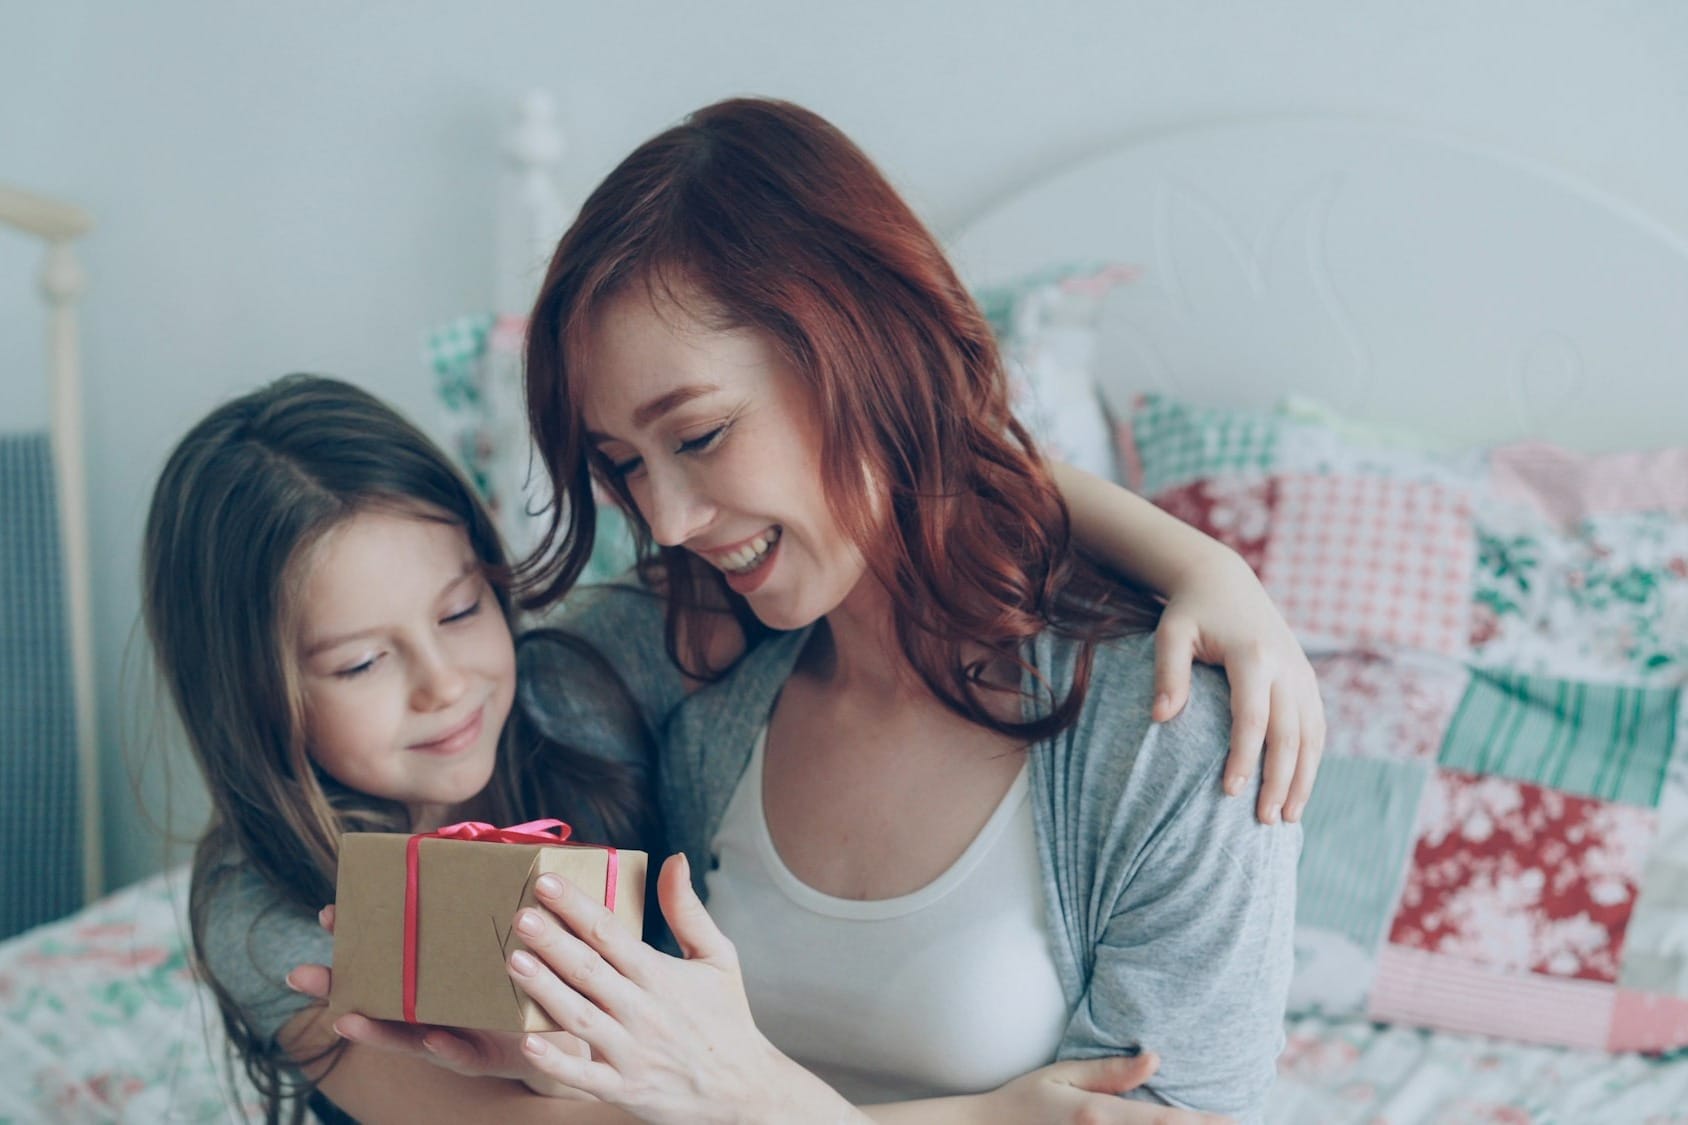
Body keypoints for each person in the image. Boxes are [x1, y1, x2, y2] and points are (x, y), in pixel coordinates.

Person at [343, 97, 1302, 1121]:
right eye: (623, 464)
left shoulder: (1172, 728)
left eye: (700, 436)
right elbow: (301, 798)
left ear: (864, 350)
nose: (665, 521)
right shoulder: (680, 654)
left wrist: (748, 1100)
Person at [151, 374, 1307, 1124]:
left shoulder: (572, 689)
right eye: (360, 664)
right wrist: (980, 1119)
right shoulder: (263, 904)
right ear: (254, 696)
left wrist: (1202, 565)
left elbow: (898, 486)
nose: (444, 684)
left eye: (461, 610)